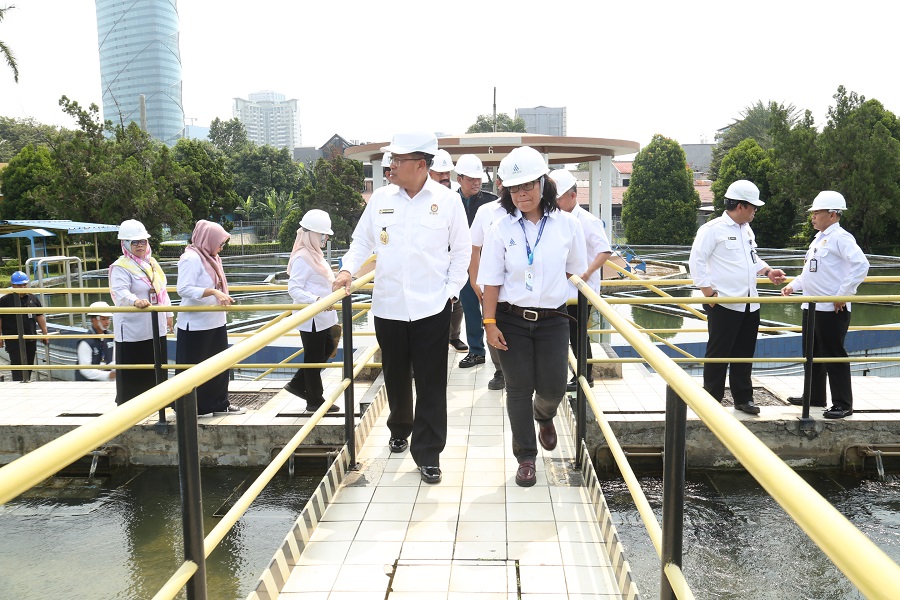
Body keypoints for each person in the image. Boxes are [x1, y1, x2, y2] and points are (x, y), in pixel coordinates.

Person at [333, 132, 470, 484]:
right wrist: (348, 269)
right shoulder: (380, 199)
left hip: (432, 306)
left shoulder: (446, 201)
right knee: (394, 375)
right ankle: (400, 426)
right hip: (389, 304)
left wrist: (450, 293)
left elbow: (461, 250)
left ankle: (428, 453)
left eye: (397, 159)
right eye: (390, 159)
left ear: (420, 164)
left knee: (431, 380)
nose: (390, 165)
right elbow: (362, 240)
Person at [478, 146, 587, 487]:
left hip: (554, 319)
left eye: (527, 186)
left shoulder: (568, 225)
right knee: (518, 389)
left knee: (554, 386)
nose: (521, 194)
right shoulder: (500, 228)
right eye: (514, 188)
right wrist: (489, 323)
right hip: (511, 319)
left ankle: (546, 414)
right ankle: (525, 457)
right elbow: (491, 281)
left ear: (543, 183)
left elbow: (576, 270)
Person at [688, 180, 786, 415]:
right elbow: (696, 261)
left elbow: (753, 258)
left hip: (750, 303)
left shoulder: (746, 230)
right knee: (718, 353)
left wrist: (768, 271)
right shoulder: (712, 229)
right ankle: (711, 400)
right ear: (741, 206)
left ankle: (743, 398)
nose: (755, 212)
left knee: (744, 352)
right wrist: (707, 293)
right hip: (724, 303)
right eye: (753, 207)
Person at [781, 191, 869, 419]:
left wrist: (844, 294)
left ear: (832, 214)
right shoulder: (818, 240)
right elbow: (809, 273)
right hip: (811, 307)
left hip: (832, 308)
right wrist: (793, 286)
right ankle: (815, 396)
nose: (812, 216)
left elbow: (861, 265)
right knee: (812, 355)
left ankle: (843, 403)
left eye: (816, 212)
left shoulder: (841, 238)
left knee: (833, 356)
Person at [550, 168, 613, 391]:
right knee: (560, 332)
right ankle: (571, 374)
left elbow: (604, 251)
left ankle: (584, 376)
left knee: (578, 334)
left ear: (573, 196)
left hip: (580, 289)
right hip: (558, 289)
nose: (555, 202)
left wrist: (586, 274)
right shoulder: (555, 220)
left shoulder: (587, 220)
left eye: (558, 198)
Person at [176, 220, 246, 416]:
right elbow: (183, 289)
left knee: (219, 366)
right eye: (219, 243)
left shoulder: (212, 258)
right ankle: (192, 408)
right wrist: (214, 293)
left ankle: (219, 403)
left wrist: (219, 295)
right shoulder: (191, 258)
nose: (221, 248)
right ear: (208, 240)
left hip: (214, 321)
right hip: (196, 324)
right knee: (195, 368)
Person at [109, 220, 173, 404]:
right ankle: (130, 403)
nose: (140, 245)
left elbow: (161, 289)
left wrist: (168, 315)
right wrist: (135, 300)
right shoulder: (121, 266)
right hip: (133, 327)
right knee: (134, 366)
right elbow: (120, 292)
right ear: (125, 244)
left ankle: (158, 402)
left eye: (143, 241)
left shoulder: (152, 264)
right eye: (135, 242)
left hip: (155, 323)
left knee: (156, 362)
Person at [284, 209, 340, 414]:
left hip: (322, 316)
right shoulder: (302, 258)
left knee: (324, 350)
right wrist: (316, 300)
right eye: (323, 235)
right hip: (312, 318)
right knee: (314, 357)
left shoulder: (314, 255)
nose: (325, 239)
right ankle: (315, 400)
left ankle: (298, 384)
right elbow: (294, 289)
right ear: (312, 235)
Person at [455, 153, 498, 369]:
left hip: (490, 265)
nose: (476, 182)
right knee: (470, 309)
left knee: (495, 311)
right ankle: (476, 351)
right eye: (471, 179)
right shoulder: (450, 202)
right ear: (459, 178)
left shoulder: (492, 203)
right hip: (462, 265)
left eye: (478, 178)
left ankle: (501, 356)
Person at [469, 170, 509, 391]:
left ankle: (516, 372)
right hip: (489, 284)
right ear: (499, 182)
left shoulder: (529, 209)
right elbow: (474, 248)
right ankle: (500, 371)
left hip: (517, 284)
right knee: (491, 325)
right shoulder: (486, 211)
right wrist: (475, 281)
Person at [430, 149, 467, 354]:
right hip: (429, 263)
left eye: (447, 173)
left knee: (455, 300)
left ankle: (454, 336)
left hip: (451, 258)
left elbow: (461, 241)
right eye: (440, 173)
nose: (445, 177)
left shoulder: (453, 198)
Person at [0, 270, 49, 382]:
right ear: (13, 286)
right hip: (13, 339)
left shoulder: (33, 299)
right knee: (17, 364)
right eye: (19, 285)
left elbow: (40, 316)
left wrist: (45, 333)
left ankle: (27, 383)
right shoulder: (4, 301)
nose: (22, 287)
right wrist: (1, 337)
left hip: (30, 338)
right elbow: (0, 319)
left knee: (29, 364)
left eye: (24, 284)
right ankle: (18, 384)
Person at [76, 301, 115, 381]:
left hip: (106, 383)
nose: (107, 322)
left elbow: (114, 361)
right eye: (103, 319)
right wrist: (109, 375)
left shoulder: (111, 337)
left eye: (108, 319)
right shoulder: (85, 342)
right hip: (87, 385)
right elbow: (85, 370)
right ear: (93, 320)